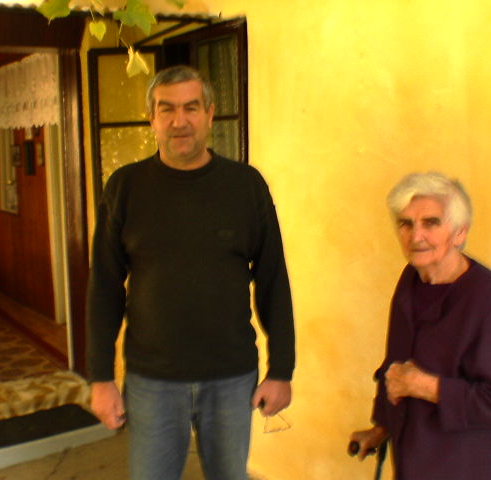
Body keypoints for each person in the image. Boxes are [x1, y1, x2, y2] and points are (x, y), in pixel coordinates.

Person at [86, 65, 295, 480]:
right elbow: (104, 288)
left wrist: (281, 371)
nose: (179, 121)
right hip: (152, 380)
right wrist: (100, 378)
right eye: (167, 109)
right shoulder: (125, 188)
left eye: (191, 108)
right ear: (152, 118)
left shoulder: (246, 186)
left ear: (210, 113)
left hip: (232, 378)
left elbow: (274, 281)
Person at [349, 172, 491, 479]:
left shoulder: (487, 299)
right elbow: (397, 363)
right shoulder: (411, 279)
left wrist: (426, 386)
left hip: (480, 465)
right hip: (421, 457)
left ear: (460, 233)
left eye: (431, 223)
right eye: (406, 224)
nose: (416, 236)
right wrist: (382, 426)